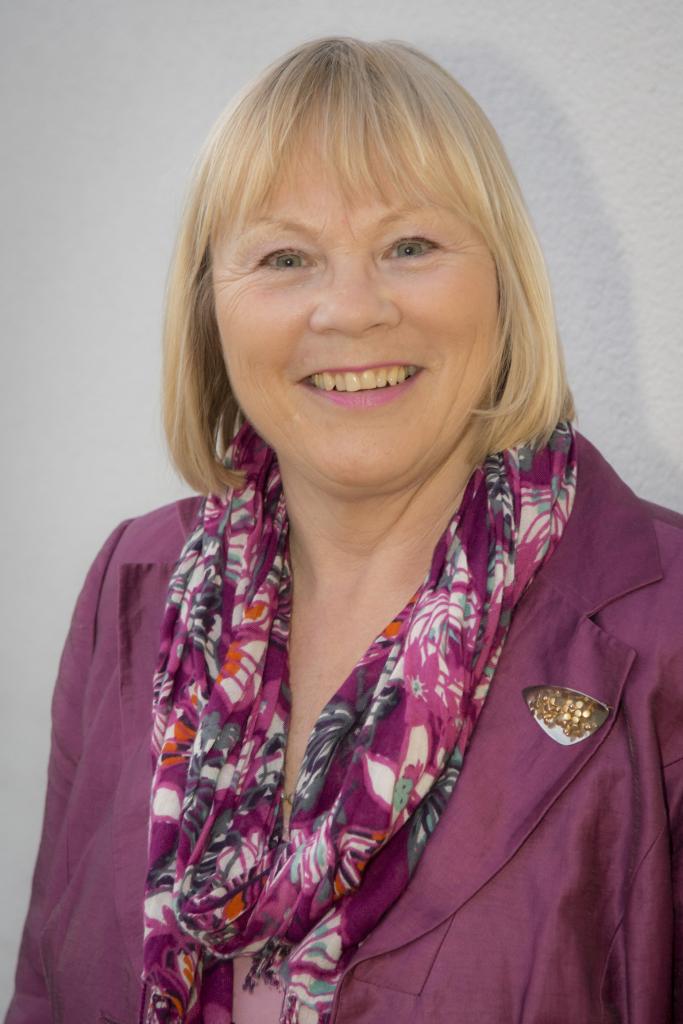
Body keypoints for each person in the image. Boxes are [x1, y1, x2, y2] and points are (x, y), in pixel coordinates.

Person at [5, 34, 683, 1024]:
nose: (350, 309)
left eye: (409, 245)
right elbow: (46, 994)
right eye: (284, 256)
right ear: (211, 312)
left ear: (502, 280)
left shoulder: (661, 624)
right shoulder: (131, 584)